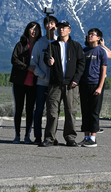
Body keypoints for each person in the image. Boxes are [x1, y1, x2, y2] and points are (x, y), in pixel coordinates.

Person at [40, 20, 85, 147]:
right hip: (55, 84)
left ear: (69, 30)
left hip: (71, 84)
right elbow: (46, 57)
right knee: (52, 112)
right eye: (59, 27)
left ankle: (70, 138)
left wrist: (76, 79)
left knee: (71, 111)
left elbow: (82, 64)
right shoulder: (52, 45)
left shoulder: (76, 46)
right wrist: (49, 61)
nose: (61, 30)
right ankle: (49, 138)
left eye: (64, 28)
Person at [10, 21, 41, 143]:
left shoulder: (40, 45)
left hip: (33, 82)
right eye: (32, 28)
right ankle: (17, 135)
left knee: (30, 110)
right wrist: (26, 67)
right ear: (27, 30)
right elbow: (14, 59)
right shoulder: (20, 44)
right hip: (19, 81)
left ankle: (27, 136)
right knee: (19, 109)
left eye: (36, 29)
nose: (34, 31)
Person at [29, 15, 58, 145]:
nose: (49, 25)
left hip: (56, 84)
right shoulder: (39, 44)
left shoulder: (60, 43)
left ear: (56, 26)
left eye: (52, 23)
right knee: (39, 110)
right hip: (42, 83)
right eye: (47, 23)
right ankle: (38, 136)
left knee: (53, 112)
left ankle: (51, 136)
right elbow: (33, 63)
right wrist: (43, 76)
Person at [78, 28, 108, 147]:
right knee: (85, 111)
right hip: (84, 84)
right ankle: (86, 137)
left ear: (98, 38)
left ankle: (93, 138)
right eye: (89, 34)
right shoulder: (84, 51)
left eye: (92, 34)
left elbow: (103, 69)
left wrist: (100, 87)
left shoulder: (101, 51)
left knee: (94, 112)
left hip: (96, 84)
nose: (90, 36)